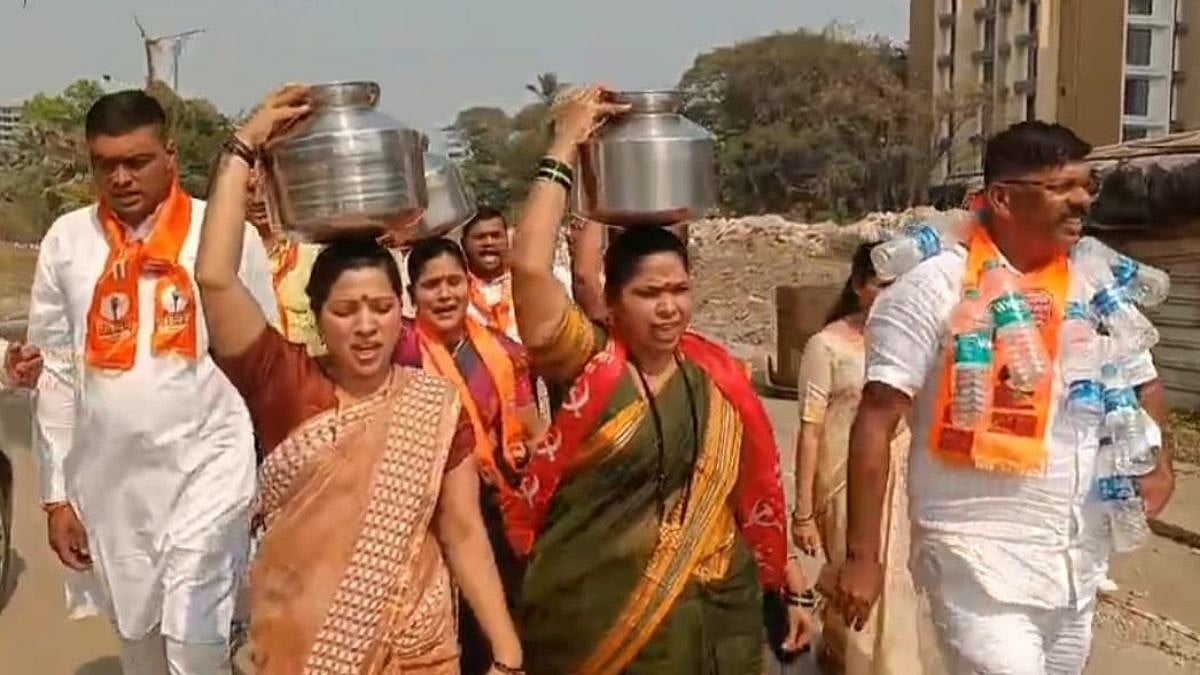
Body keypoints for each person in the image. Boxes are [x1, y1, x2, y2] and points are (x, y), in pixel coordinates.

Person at [195, 83, 523, 674]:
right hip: (300, 651)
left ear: (402, 309)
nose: (366, 326)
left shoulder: (433, 403)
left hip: (417, 653)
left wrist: (506, 652)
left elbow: (463, 530)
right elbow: (215, 279)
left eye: (379, 307)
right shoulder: (285, 383)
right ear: (318, 319)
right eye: (346, 312)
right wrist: (243, 145)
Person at [833, 121, 1176, 673]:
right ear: (1003, 197)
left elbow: (1145, 381)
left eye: (1087, 186)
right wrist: (862, 557)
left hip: (1073, 553)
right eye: (1061, 187)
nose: (1081, 201)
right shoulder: (933, 287)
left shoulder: (1093, 285)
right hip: (974, 549)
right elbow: (876, 419)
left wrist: (1159, 464)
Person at [505, 84, 813, 674]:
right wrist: (565, 142)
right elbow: (528, 266)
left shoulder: (715, 375)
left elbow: (747, 495)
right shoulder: (590, 366)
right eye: (649, 294)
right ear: (611, 304)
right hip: (601, 623)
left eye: (679, 291)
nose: (669, 308)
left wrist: (792, 581)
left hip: (720, 621)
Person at [26, 89, 278, 674]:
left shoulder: (221, 235)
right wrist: (56, 496)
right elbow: (58, 374)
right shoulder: (68, 241)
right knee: (140, 643)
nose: (120, 178)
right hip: (113, 484)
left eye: (136, 162)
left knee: (195, 637)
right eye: (104, 164)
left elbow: (266, 363)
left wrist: (271, 469)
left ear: (169, 155)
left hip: (210, 468)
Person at [395, 236, 543, 674]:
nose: (444, 294)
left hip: (501, 511)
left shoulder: (507, 352)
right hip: (430, 519)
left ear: (469, 283)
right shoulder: (401, 355)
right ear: (411, 295)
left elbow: (531, 424)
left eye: (454, 282)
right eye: (431, 285)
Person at [793, 243, 937, 674]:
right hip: (842, 486)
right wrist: (801, 513)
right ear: (858, 286)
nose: (891, 295)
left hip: (899, 485)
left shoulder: (913, 345)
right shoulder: (827, 346)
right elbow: (810, 430)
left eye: (901, 286)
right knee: (855, 580)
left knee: (897, 588)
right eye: (882, 285)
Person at [246, 167, 325, 354]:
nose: (259, 199)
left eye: (266, 189)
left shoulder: (314, 251)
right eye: (249, 190)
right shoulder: (229, 261)